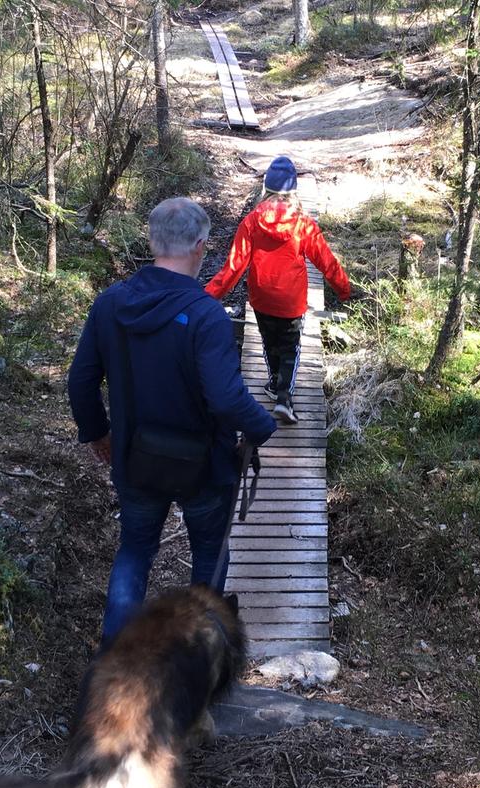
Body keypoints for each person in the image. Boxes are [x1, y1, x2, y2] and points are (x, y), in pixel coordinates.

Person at [68, 197, 277, 644]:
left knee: (136, 550)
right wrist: (261, 426)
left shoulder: (110, 305)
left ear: (152, 240)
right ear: (201, 246)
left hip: (135, 460)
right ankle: (193, 663)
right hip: (204, 468)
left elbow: (81, 379)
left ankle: (114, 659)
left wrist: (98, 434)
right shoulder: (206, 315)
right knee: (209, 555)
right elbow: (225, 396)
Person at [205, 155, 352, 425]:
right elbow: (326, 261)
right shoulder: (303, 224)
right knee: (290, 349)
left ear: (266, 189)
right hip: (291, 300)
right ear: (293, 192)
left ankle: (273, 384)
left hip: (261, 298)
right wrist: (344, 289)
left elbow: (234, 267)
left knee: (269, 342)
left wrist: (205, 296)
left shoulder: (251, 222)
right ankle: (284, 397)